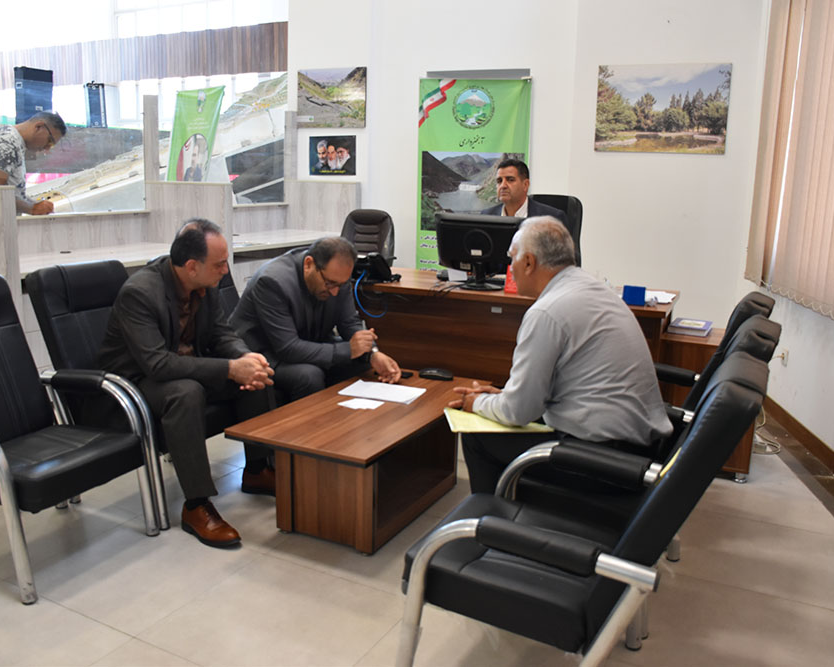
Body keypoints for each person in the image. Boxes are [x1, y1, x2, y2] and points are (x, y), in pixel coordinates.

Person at [449, 216, 672, 494]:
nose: (510, 267)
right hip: (638, 449)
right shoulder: (593, 288)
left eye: (511, 258)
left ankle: (492, 516)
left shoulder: (547, 311)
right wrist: (503, 396)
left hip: (600, 459)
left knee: (477, 435)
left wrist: (477, 403)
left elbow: (519, 411)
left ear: (528, 262)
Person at [97, 218, 275, 548]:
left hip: (185, 367)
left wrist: (245, 358)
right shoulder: (140, 293)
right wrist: (229, 368)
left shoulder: (205, 285)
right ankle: (196, 505)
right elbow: (158, 363)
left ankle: (257, 469)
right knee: (186, 392)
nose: (226, 271)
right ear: (192, 266)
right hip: (135, 383)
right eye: (219, 264)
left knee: (257, 377)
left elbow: (222, 334)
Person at [230, 236, 402, 404]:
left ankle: (346, 419)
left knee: (362, 365)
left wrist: (372, 353)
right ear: (308, 264)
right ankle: (308, 423)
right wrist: (349, 350)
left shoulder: (337, 278)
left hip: (308, 343)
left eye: (341, 285)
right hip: (265, 355)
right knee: (309, 375)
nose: (335, 292)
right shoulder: (272, 282)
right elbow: (288, 348)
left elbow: (349, 323)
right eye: (329, 283)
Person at [0, 112, 66, 216]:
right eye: (49, 141)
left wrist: (36, 205)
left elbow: (13, 193)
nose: (47, 148)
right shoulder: (6, 142)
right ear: (39, 126)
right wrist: (32, 208)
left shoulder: (14, 141)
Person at [481, 158, 569, 227]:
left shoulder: (551, 218)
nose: (503, 185)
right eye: (499, 181)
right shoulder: (487, 216)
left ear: (525, 185)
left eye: (510, 180)